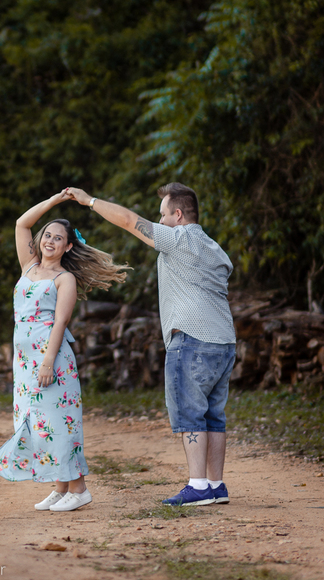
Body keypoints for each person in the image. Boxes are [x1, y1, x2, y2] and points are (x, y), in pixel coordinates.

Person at [63, 183, 236, 507]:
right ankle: (216, 485)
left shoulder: (180, 238)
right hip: (224, 342)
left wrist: (90, 201)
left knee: (190, 413)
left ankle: (198, 486)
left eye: (162, 215)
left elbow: (130, 221)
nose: (159, 221)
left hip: (192, 339)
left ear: (178, 215)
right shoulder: (215, 248)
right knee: (214, 416)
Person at [0, 191, 129, 512]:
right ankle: (60, 486)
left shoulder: (64, 280)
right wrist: (54, 202)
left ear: (68, 247)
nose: (50, 241)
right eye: (47, 235)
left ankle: (79, 489)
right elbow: (22, 223)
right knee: (37, 423)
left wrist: (48, 362)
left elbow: (60, 322)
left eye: (58, 238)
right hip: (25, 363)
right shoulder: (28, 266)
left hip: (51, 361)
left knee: (58, 423)